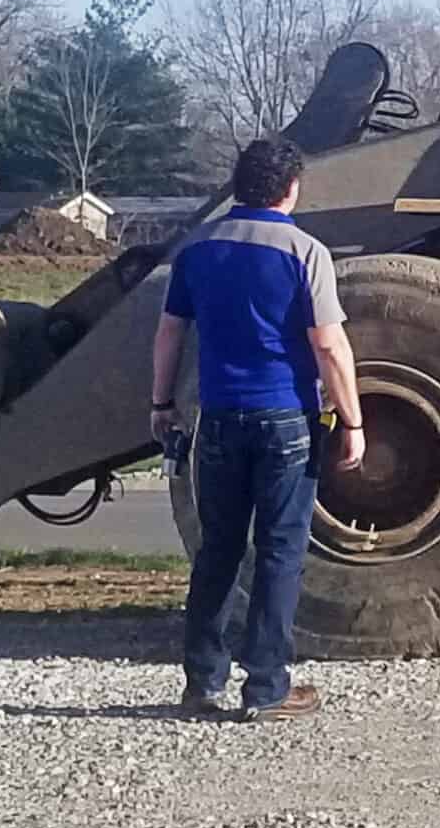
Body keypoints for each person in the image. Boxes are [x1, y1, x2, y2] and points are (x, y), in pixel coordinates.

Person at [149, 136, 366, 722]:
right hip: (286, 420)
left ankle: (202, 683)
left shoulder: (198, 249)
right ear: (290, 188)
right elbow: (329, 345)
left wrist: (161, 403)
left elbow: (170, 333)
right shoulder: (305, 252)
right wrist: (353, 419)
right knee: (278, 551)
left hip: (218, 418)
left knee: (217, 548)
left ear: (240, 185)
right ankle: (267, 687)